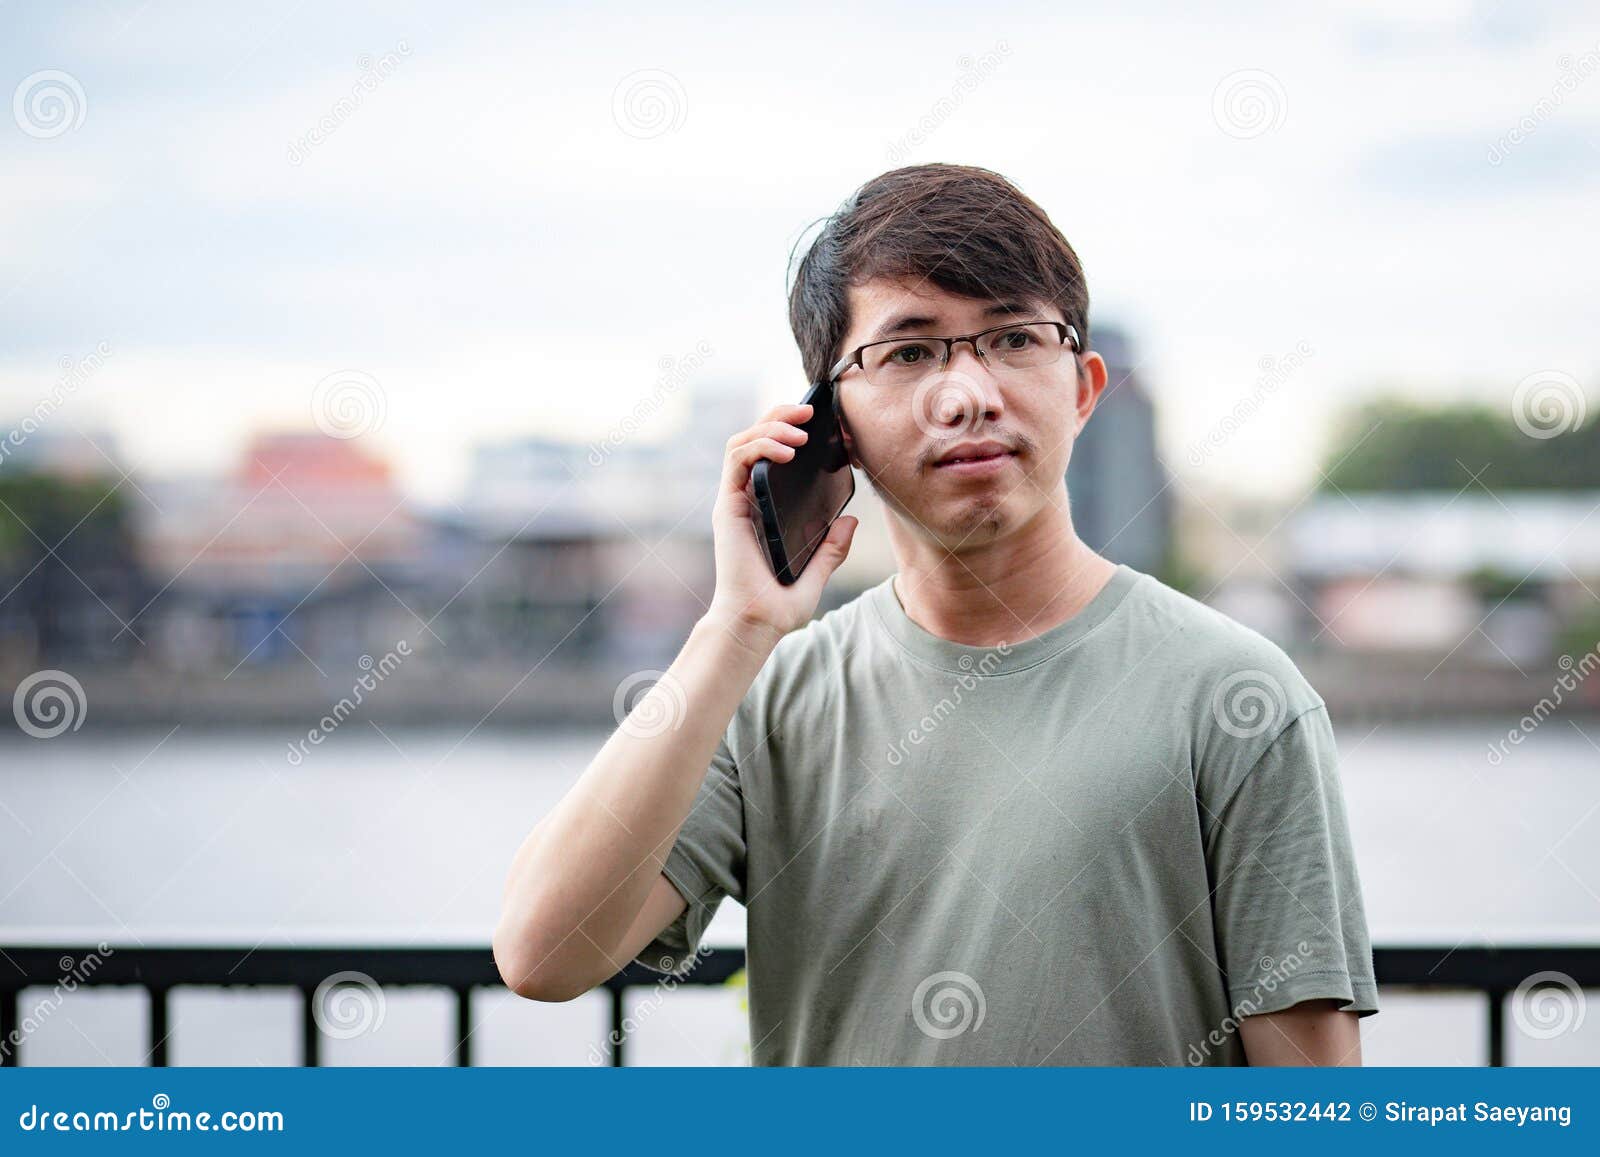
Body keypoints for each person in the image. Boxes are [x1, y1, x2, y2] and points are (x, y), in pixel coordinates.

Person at [494, 163, 1378, 1065]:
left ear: (1083, 386)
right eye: (909, 352)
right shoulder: (768, 694)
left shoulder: (1237, 696)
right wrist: (735, 629)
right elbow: (543, 954)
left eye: (1013, 339)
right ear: (831, 424)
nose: (968, 395)